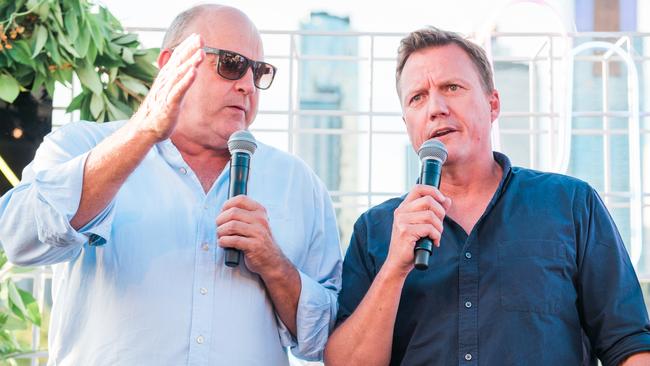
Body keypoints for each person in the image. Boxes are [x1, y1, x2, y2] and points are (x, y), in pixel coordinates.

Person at [0, 4, 341, 365]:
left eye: (259, 72)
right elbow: (20, 238)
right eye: (231, 64)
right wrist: (143, 131)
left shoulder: (298, 183)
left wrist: (275, 265)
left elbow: (325, 341)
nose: (246, 85)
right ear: (170, 64)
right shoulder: (79, 146)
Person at [324, 26, 650, 366]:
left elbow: (628, 343)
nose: (435, 107)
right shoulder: (375, 231)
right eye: (417, 97)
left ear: (492, 104)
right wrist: (394, 268)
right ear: (408, 122)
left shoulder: (570, 205)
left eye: (452, 87)